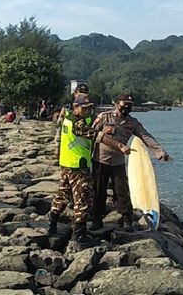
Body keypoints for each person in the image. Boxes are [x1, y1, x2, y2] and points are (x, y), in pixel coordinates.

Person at [48, 94, 131, 250]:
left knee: (62, 195)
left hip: (67, 164)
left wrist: (97, 124)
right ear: (75, 107)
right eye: (84, 108)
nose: (87, 111)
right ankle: (80, 237)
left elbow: (90, 128)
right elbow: (97, 136)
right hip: (77, 166)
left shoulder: (69, 117)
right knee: (83, 201)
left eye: (89, 108)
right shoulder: (76, 123)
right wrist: (119, 145)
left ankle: (52, 224)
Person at [91, 93, 171, 231]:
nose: (127, 107)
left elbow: (145, 136)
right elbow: (91, 134)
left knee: (122, 191)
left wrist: (159, 151)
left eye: (130, 105)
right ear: (117, 103)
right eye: (124, 104)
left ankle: (126, 219)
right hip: (100, 160)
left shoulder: (132, 123)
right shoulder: (104, 117)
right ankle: (97, 219)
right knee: (99, 191)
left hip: (118, 163)